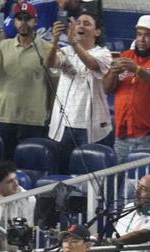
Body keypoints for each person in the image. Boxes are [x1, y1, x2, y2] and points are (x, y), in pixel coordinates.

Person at [0, 2, 53, 162]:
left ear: (36, 21)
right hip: (4, 118)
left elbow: (54, 78)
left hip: (33, 120)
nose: (23, 22)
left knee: (29, 168)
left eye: (28, 18)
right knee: (1, 167)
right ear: (14, 22)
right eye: (19, 18)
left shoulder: (47, 48)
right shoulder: (3, 46)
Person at [46, 13, 113, 168]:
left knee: (87, 174)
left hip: (90, 126)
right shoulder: (66, 50)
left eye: (87, 23)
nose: (81, 26)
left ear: (97, 32)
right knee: (61, 171)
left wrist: (75, 45)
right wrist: (55, 40)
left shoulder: (103, 53)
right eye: (79, 23)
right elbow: (50, 63)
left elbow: (93, 65)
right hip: (63, 125)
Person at [103, 15, 150, 161]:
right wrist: (113, 74)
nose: (141, 39)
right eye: (139, 34)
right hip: (123, 135)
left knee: (145, 181)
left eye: (147, 35)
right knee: (119, 180)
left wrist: (138, 70)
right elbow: (107, 89)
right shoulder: (126, 55)